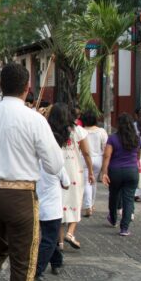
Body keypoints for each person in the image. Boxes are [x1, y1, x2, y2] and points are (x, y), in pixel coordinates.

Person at [0, 62, 64, 281]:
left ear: (0, 86)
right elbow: (55, 165)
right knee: (23, 260)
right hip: (20, 195)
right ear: (27, 87)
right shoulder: (34, 119)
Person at [47, 103, 93, 250]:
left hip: (56, 168)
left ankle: (59, 241)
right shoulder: (77, 130)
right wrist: (91, 171)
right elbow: (86, 153)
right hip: (73, 169)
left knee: (59, 203)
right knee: (75, 200)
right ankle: (71, 233)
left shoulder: (48, 130)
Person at [102, 113, 141, 236]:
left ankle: (113, 218)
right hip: (132, 170)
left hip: (115, 171)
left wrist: (104, 172)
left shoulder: (113, 138)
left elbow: (107, 155)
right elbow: (139, 153)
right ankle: (124, 228)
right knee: (129, 199)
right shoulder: (136, 138)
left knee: (114, 195)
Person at [33, 157, 70, 281]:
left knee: (51, 238)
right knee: (49, 240)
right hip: (52, 209)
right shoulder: (56, 164)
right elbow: (66, 184)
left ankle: (56, 262)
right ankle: (37, 271)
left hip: (37, 205)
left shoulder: (35, 162)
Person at [81, 110, 107, 216]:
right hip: (98, 159)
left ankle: (88, 206)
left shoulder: (81, 131)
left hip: (84, 158)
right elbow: (105, 146)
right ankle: (91, 203)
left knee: (86, 181)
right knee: (93, 181)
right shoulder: (101, 131)